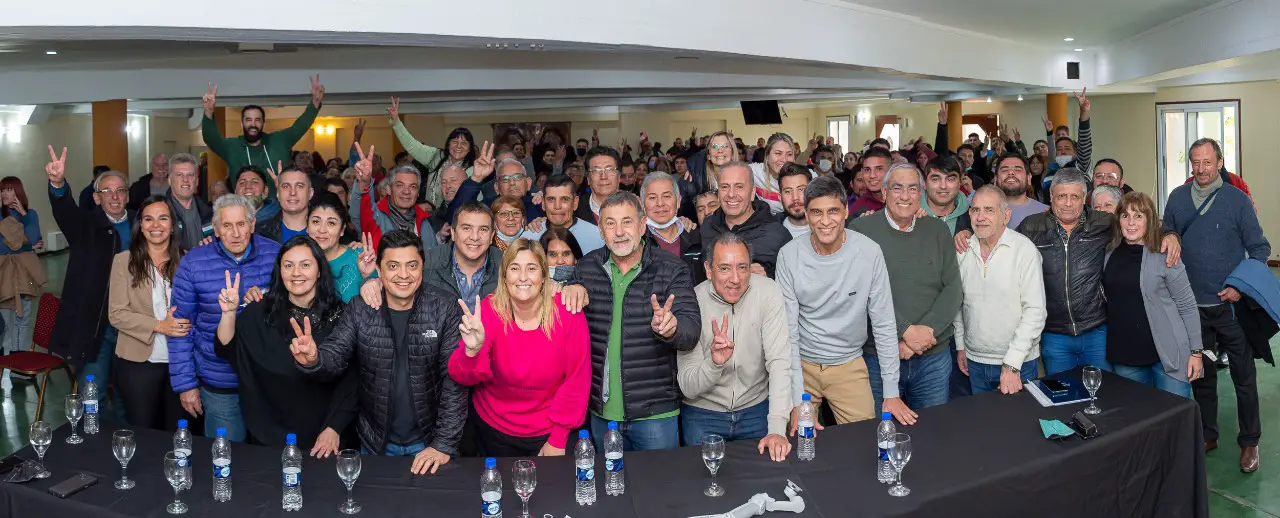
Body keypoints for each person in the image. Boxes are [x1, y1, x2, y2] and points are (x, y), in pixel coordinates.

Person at [291, 230, 467, 474]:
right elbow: (336, 354)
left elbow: (454, 380)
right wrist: (314, 359)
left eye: (412, 265)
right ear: (379, 270)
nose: (403, 274)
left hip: (430, 442)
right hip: (375, 443)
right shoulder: (360, 308)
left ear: (422, 268)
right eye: (393, 266)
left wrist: (443, 444)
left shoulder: (445, 308)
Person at [560, 192, 700, 451]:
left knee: (660, 478)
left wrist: (671, 329)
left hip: (655, 414)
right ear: (601, 231)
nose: (619, 232)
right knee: (607, 478)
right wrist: (570, 285)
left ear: (642, 225)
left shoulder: (672, 268)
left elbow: (690, 331)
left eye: (627, 222)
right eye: (610, 223)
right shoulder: (586, 268)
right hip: (601, 413)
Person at [1163, 138, 1269, 472]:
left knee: (1243, 377)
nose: (1201, 169)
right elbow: (1167, 229)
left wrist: (1240, 286)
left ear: (1220, 163)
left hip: (1230, 310)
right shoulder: (1178, 198)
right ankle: (1208, 434)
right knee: (1202, 376)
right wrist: (1169, 235)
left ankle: (1249, 441)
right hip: (1192, 310)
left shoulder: (1237, 200)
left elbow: (1260, 249)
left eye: (1207, 162)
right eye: (1195, 162)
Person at [776, 176, 915, 430]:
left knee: (863, 442)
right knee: (797, 441)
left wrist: (891, 392)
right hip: (802, 365)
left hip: (849, 364)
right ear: (806, 215)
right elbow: (788, 332)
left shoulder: (869, 252)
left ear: (846, 211)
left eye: (833, 211)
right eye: (816, 212)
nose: (825, 221)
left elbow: (883, 323)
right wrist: (796, 400)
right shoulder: (788, 255)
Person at [214, 236, 356, 454]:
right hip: (268, 435)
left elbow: (353, 380)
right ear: (280, 271)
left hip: (324, 437)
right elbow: (226, 348)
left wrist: (334, 428)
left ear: (319, 270)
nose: (296, 273)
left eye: (305, 265)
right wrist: (229, 313)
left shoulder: (342, 316)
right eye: (288, 265)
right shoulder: (259, 312)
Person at [449, 238, 590, 457]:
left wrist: (558, 438)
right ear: (504, 276)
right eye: (514, 268)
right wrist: (471, 352)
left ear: (544, 275)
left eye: (531, 268)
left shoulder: (567, 312)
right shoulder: (490, 310)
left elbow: (577, 381)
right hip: (493, 429)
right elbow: (462, 377)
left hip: (550, 430)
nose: (523, 277)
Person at [848, 164, 962, 413]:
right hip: (877, 357)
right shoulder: (860, 231)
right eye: (897, 188)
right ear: (884, 192)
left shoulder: (937, 230)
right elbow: (858, 293)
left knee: (932, 430)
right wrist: (904, 332)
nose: (905, 196)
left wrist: (924, 334)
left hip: (932, 357)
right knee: (878, 429)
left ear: (921, 193)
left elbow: (953, 288)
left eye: (912, 189)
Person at [169, 194, 282, 442]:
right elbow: (180, 327)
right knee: (226, 455)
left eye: (241, 224)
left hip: (267, 382)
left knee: (270, 457)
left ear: (252, 224)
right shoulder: (193, 263)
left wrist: (268, 301)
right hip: (219, 382)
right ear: (216, 229)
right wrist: (185, 384)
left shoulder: (276, 255)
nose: (235, 233)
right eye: (227, 226)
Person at [678, 232, 793, 461]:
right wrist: (714, 364)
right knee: (703, 479)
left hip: (756, 410)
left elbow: (779, 362)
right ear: (708, 270)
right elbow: (687, 386)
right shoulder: (692, 302)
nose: (735, 278)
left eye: (742, 267)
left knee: (765, 477)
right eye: (724, 268)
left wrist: (777, 427)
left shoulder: (768, 292)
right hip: (703, 413)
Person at [45, 147, 134, 407]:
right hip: (97, 327)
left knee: (131, 394)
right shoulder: (85, 226)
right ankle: (91, 431)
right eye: (107, 191)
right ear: (96, 198)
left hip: (134, 323)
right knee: (92, 394)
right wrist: (58, 184)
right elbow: (65, 210)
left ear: (127, 195)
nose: (114, 197)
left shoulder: (142, 225)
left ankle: (127, 431)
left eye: (120, 191)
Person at [1103, 192, 1202, 398]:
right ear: (1118, 220)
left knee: (1174, 413)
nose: (1131, 223)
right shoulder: (1109, 253)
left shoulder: (1166, 254)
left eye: (1138, 216)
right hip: (1126, 356)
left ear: (1150, 220)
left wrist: (1196, 352)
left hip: (1169, 356)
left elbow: (1187, 305)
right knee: (1138, 416)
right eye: (1125, 216)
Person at [953, 186, 1047, 395]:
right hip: (974, 361)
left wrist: (1012, 364)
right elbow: (958, 303)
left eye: (989, 210)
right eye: (975, 210)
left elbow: (1035, 311)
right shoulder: (963, 250)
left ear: (1006, 215)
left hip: (1018, 363)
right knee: (980, 417)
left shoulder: (1024, 250)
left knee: (1018, 417)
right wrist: (961, 345)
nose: (980, 217)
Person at [108, 195, 187, 430]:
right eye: (148, 219)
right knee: (144, 433)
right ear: (141, 226)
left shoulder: (187, 259)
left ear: (172, 225)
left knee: (179, 432)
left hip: (181, 363)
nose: (156, 225)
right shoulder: (124, 261)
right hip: (139, 363)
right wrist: (160, 326)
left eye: (163, 218)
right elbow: (117, 314)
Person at [201, 77, 324, 197]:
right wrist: (208, 112)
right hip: (244, 207)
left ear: (263, 123)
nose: (253, 124)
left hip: (278, 206)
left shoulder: (279, 141)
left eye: (257, 120)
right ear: (242, 124)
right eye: (248, 120)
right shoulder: (232, 147)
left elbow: (299, 127)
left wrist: (315, 104)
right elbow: (211, 139)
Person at [700, 162, 792, 278]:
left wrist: (767, 277)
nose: (731, 194)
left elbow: (792, 280)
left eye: (739, 186)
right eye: (724, 187)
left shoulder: (777, 234)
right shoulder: (708, 226)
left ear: (752, 192)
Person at [349, 145, 439, 255]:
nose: (406, 191)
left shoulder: (425, 222)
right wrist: (364, 182)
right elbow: (360, 211)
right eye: (400, 185)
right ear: (389, 189)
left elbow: (434, 260)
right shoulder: (376, 217)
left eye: (413, 186)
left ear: (418, 193)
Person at [0, 176, 45, 386]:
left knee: (23, 321)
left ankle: (19, 367)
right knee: (6, 324)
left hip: (24, 276)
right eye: (2, 190)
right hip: (4, 276)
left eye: (8, 190)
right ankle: (7, 364)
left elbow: (35, 237)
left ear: (18, 192)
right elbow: (6, 247)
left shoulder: (30, 214)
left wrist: (25, 216)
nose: (4, 194)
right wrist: (28, 246)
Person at [953, 155, 1050, 250]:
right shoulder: (977, 212)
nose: (1011, 173)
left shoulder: (1046, 212)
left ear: (1029, 178)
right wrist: (966, 233)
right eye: (1004, 169)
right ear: (995, 179)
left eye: (1017, 169)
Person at [308, 192, 376, 303]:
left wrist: (369, 277)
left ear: (342, 230)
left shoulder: (360, 257)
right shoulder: (300, 261)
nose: (322, 230)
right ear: (307, 226)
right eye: (316, 222)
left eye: (331, 223)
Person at [642, 172, 704, 285]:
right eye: (652, 197)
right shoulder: (637, 242)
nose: (660, 203)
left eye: (666, 196)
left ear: (678, 201)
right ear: (643, 205)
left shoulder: (698, 237)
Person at [525, 174, 606, 254]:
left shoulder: (597, 238)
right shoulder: (528, 238)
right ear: (543, 203)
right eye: (551, 199)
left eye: (564, 199)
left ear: (575, 203)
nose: (557, 206)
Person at [165, 154, 214, 251]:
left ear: (197, 181)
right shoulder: (161, 213)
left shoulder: (210, 214)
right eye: (179, 175)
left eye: (190, 175)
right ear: (169, 181)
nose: (185, 180)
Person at [255, 164, 313, 244]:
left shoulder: (326, 230)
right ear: (278, 194)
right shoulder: (260, 233)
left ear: (310, 193)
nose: (292, 192)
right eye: (286, 187)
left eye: (300, 186)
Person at [748, 133, 798, 215]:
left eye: (789, 154)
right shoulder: (756, 172)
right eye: (778, 153)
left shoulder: (804, 177)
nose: (784, 160)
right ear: (767, 156)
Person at [920, 155, 969, 234]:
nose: (943, 186)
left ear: (959, 183)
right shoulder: (910, 217)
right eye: (935, 179)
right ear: (925, 184)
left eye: (950, 179)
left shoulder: (972, 220)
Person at [574, 146, 622, 224]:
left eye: (609, 169)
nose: (603, 176)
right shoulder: (575, 211)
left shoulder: (634, 207)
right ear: (588, 179)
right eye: (596, 170)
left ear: (619, 176)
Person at [847, 147, 891, 216]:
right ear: (862, 172)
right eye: (867, 170)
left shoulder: (904, 197)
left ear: (891, 171)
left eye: (879, 169)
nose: (872, 175)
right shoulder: (860, 207)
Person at [777, 163, 811, 239]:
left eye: (801, 189)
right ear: (780, 197)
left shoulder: (830, 227)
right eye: (788, 191)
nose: (795, 198)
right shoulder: (771, 232)